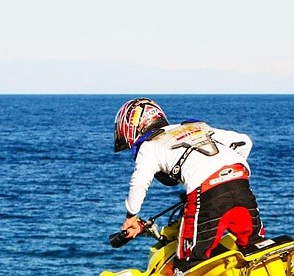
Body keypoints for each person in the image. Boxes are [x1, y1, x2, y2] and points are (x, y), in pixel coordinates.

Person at [112, 98, 265, 267]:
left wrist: (131, 216)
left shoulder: (149, 146)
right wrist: (224, 172)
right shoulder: (194, 127)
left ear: (132, 129)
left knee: (189, 263)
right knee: (255, 250)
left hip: (206, 192)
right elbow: (245, 141)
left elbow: (139, 182)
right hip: (240, 182)